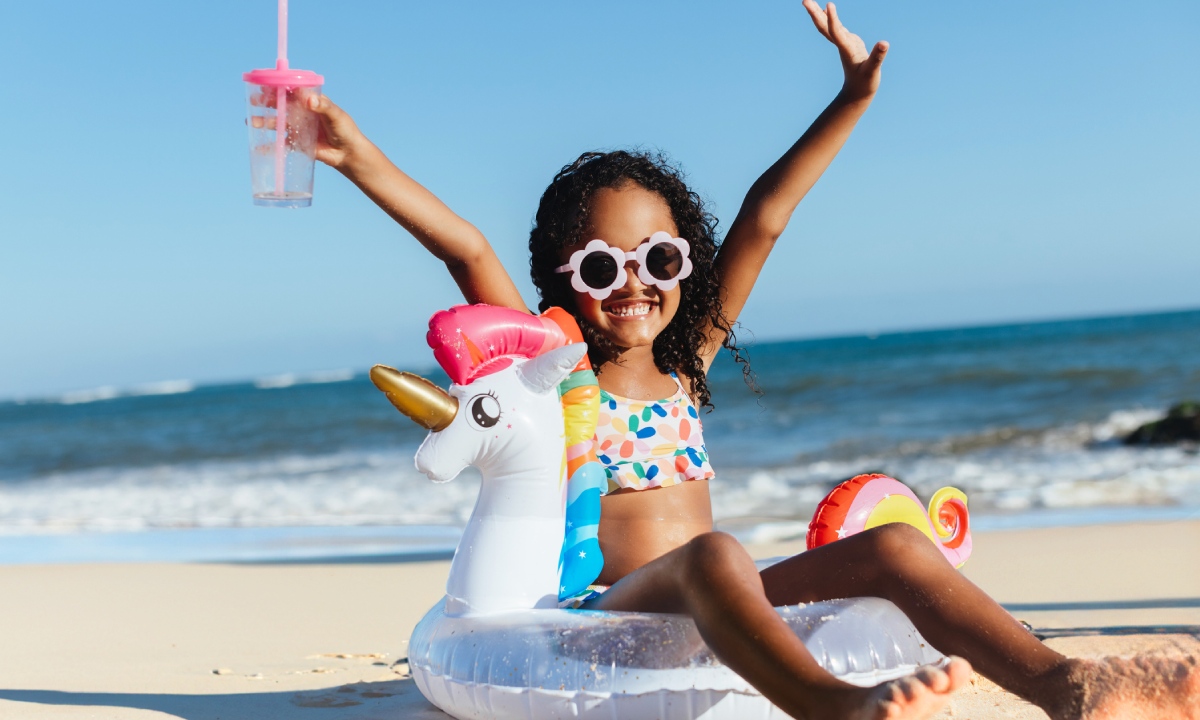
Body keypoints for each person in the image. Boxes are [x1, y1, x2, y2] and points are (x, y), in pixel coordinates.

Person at [305, 3, 1200, 718]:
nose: (636, 284)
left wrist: (852, 96)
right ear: (563, 281)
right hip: (608, 613)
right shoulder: (556, 371)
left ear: (682, 265)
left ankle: (1067, 686)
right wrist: (352, 156)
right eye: (604, 267)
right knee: (715, 556)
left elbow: (767, 214)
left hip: (722, 592)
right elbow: (464, 248)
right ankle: (828, 706)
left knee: (891, 543)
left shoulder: (687, 362)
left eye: (660, 260)